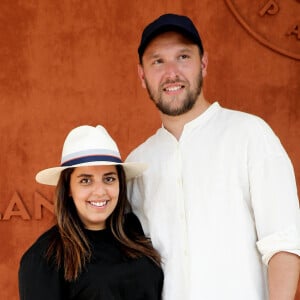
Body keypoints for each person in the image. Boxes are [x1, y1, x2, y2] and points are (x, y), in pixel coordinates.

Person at [126, 13, 300, 300]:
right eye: (158, 61)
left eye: (183, 57)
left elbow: (284, 242)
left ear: (203, 64)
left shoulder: (250, 134)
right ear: (142, 75)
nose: (172, 72)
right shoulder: (139, 162)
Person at [18, 125, 163, 300]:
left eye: (109, 179)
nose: (100, 191)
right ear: (68, 188)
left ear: (120, 184)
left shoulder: (134, 230)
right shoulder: (43, 258)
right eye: (86, 180)